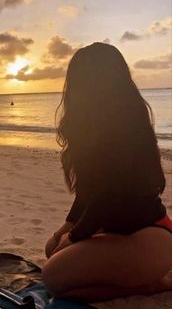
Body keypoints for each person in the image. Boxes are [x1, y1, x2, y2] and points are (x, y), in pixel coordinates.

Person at [42, 43, 172, 301]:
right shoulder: (93, 132)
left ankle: (156, 283)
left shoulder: (125, 131)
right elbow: (89, 192)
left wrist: (76, 235)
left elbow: (108, 196)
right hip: (118, 235)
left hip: (148, 235)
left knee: (52, 277)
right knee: (51, 248)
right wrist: (66, 229)